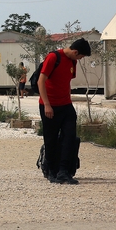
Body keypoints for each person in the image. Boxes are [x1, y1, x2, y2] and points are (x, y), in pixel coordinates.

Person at [38, 38, 91, 185]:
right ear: (75, 52)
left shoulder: (72, 62)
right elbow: (40, 81)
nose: (80, 60)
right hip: (49, 105)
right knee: (51, 139)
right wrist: (47, 105)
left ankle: (64, 171)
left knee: (70, 137)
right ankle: (50, 170)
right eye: (80, 57)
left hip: (66, 105)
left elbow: (66, 82)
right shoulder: (53, 57)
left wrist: (68, 101)